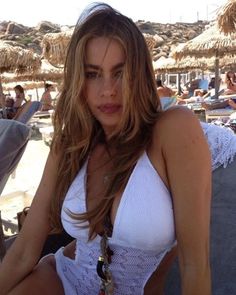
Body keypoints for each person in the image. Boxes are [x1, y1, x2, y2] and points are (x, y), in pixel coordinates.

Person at [0, 3, 212, 295]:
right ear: (78, 80)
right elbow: (25, 250)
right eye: (92, 74)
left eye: (120, 72)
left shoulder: (173, 130)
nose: (108, 90)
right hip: (64, 278)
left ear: (139, 73)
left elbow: (195, 265)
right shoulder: (70, 143)